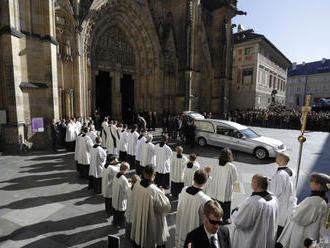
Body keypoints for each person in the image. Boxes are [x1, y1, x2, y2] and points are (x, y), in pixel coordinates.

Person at [277, 173, 330, 248]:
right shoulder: (320, 200)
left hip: (301, 238)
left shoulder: (314, 202)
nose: (310, 182)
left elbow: (297, 217)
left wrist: (292, 204)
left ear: (319, 185)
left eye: (312, 180)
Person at [231, 174, 278, 248]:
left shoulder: (254, 203)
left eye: (252, 182)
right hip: (266, 239)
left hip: (252, 240)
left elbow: (240, 222)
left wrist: (236, 211)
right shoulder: (273, 198)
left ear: (255, 184)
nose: (251, 184)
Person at [130, 164, 171, 248]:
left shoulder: (137, 184)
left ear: (143, 173)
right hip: (151, 221)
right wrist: (163, 194)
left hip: (138, 216)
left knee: (140, 234)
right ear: (154, 174)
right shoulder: (155, 191)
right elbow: (165, 209)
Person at [175, 170, 211, 248]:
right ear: (205, 183)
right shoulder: (205, 199)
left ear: (193, 179)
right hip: (194, 229)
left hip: (182, 225)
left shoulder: (184, 190)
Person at [205, 148, 238, 223]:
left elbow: (212, 174)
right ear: (229, 156)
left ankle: (215, 217)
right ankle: (225, 219)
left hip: (215, 188)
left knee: (216, 204)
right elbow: (234, 179)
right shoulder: (231, 166)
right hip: (225, 190)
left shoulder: (215, 163)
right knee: (226, 206)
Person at [269, 152, 296, 238]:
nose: (276, 158)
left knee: (277, 224)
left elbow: (276, 192)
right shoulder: (291, 171)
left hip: (281, 204)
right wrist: (272, 181)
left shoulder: (280, 174)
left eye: (277, 157)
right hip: (287, 202)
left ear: (280, 160)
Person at [112, 162, 130, 227]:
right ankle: (121, 224)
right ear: (126, 169)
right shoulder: (124, 179)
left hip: (115, 196)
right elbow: (127, 190)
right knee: (121, 213)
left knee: (115, 212)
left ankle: (115, 222)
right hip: (120, 198)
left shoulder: (116, 174)